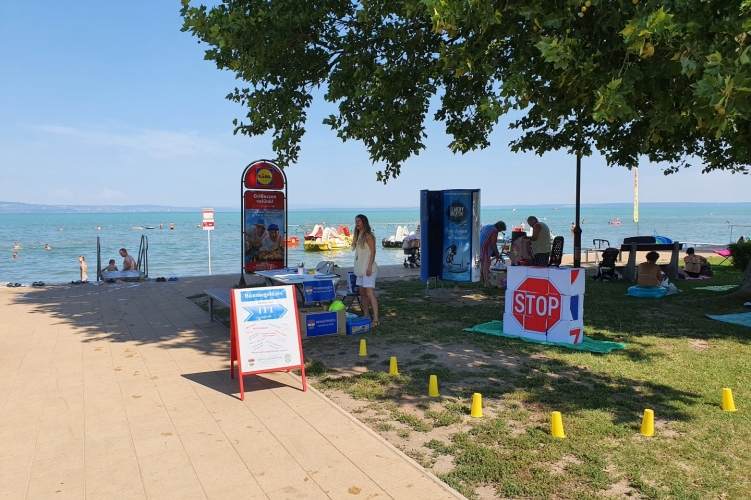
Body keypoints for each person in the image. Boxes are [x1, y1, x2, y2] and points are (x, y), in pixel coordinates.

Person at [353, 214, 379, 328]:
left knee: (369, 293)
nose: (357, 223)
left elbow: (373, 252)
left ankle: (376, 319)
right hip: (360, 269)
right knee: (362, 293)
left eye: (359, 221)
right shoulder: (358, 235)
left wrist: (369, 266)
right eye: (356, 221)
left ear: (364, 222)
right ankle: (366, 315)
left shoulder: (369, 236)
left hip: (369, 269)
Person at [480, 221, 507, 286]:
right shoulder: (495, 231)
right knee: (486, 265)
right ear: (499, 228)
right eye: (501, 230)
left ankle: (483, 281)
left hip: (479, 246)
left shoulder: (487, 226)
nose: (500, 231)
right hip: (485, 247)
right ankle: (486, 283)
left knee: (482, 265)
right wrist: (497, 254)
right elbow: (493, 244)